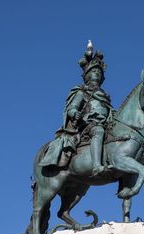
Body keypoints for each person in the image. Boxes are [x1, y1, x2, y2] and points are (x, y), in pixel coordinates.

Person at [39, 41, 112, 176]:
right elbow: (72, 107)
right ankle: (96, 166)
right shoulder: (82, 91)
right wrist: (74, 113)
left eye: (98, 72)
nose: (96, 74)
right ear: (87, 75)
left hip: (105, 124)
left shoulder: (105, 97)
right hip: (88, 125)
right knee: (98, 131)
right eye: (94, 71)